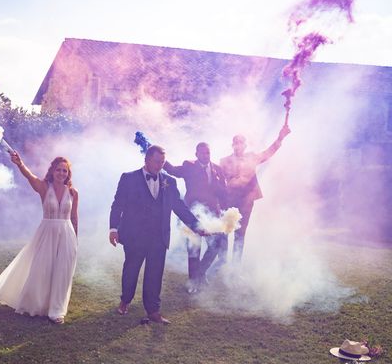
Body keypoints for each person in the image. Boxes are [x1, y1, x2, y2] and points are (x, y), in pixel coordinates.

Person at [109, 145, 201, 324]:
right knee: (131, 270)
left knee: (155, 274)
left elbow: (179, 207)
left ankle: (153, 310)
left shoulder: (169, 181)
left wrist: (196, 225)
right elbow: (117, 205)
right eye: (157, 161)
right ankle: (125, 301)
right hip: (134, 235)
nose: (160, 165)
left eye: (163, 162)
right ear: (147, 159)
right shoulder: (128, 178)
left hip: (159, 237)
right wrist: (113, 229)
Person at [0, 153, 78, 324]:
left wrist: (76, 240)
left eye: (65, 171)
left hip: (67, 234)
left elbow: (74, 218)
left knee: (63, 272)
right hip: (47, 231)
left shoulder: (73, 193)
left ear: (68, 174)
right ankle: (37, 305)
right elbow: (29, 175)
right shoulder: (44, 187)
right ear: (52, 171)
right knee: (42, 269)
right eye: (58, 170)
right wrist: (19, 163)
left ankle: (57, 310)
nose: (61, 173)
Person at [219, 124, 291, 261]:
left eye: (241, 143)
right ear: (232, 145)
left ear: (245, 145)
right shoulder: (224, 161)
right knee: (224, 232)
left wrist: (280, 137)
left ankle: (235, 268)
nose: (238, 145)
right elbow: (219, 183)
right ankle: (221, 263)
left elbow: (268, 153)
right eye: (236, 143)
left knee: (240, 235)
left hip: (246, 202)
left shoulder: (251, 157)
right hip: (228, 201)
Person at [164, 142, 228, 293]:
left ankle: (200, 273)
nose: (206, 155)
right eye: (203, 153)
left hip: (213, 214)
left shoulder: (217, 169)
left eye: (208, 153)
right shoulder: (189, 166)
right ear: (196, 154)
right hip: (193, 213)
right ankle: (193, 282)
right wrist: (161, 159)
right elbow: (173, 170)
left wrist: (224, 210)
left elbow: (224, 192)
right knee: (194, 247)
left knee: (215, 245)